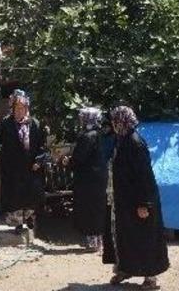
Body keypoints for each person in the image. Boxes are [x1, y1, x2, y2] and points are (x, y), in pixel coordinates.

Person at [102, 106, 169, 290]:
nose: (113, 124)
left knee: (145, 238)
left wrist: (144, 204)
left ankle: (151, 277)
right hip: (125, 201)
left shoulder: (135, 142)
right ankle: (126, 268)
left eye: (116, 120)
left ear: (123, 121)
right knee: (127, 236)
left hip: (139, 201)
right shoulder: (122, 139)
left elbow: (144, 176)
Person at [0, 90, 47, 232]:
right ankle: (17, 224)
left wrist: (39, 160)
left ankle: (29, 219)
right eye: (17, 108)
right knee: (14, 196)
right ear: (12, 109)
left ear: (27, 108)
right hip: (12, 168)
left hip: (31, 167)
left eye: (23, 108)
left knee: (31, 194)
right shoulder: (6, 124)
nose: (20, 111)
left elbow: (42, 146)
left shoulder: (35, 124)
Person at [70, 107, 113, 251]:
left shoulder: (87, 136)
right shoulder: (99, 134)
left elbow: (79, 158)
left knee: (89, 208)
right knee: (97, 207)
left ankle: (93, 242)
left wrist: (67, 161)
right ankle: (98, 241)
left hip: (88, 179)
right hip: (98, 176)